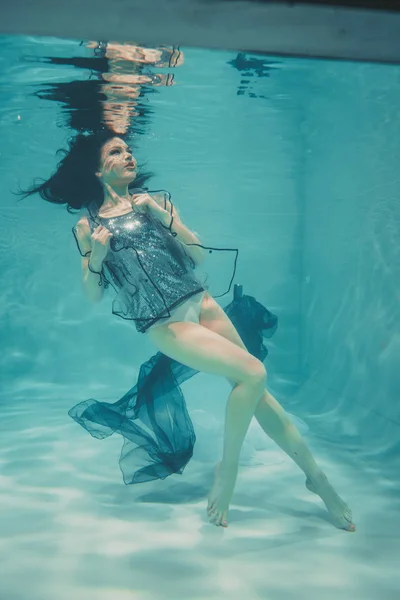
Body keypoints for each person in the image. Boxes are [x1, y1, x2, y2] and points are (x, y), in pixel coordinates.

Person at [21, 130, 355, 531]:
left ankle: (316, 478)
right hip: (165, 323)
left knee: (256, 391)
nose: (128, 155)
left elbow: (196, 255)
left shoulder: (156, 203)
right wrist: (99, 255)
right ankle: (227, 473)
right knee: (253, 373)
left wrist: (165, 217)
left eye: (128, 149)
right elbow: (93, 294)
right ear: (97, 170)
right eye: (116, 151)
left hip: (201, 301)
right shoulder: (86, 226)